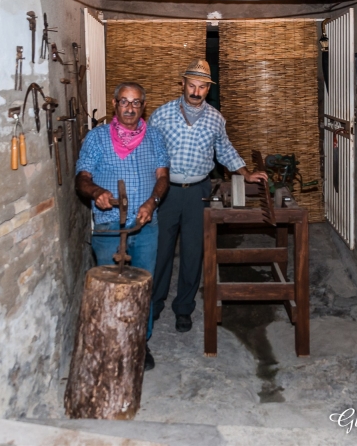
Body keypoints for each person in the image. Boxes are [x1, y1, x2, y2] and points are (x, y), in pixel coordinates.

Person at [148, 59, 267, 333]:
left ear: (207, 89)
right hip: (166, 192)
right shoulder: (161, 115)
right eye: (192, 85)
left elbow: (225, 150)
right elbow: (149, 152)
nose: (196, 91)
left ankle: (184, 308)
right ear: (183, 84)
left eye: (202, 87)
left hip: (198, 193)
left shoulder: (215, 119)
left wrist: (246, 174)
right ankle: (154, 304)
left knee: (193, 252)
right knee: (161, 251)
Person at [75, 82, 169, 371]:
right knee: (110, 288)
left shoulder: (154, 137)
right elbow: (82, 177)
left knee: (142, 285)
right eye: (124, 102)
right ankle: (110, 344)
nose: (130, 107)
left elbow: (163, 177)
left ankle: (141, 343)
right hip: (108, 227)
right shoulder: (97, 138)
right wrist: (95, 193)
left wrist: (152, 202)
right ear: (114, 104)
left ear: (143, 106)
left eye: (136, 102)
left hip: (144, 226)